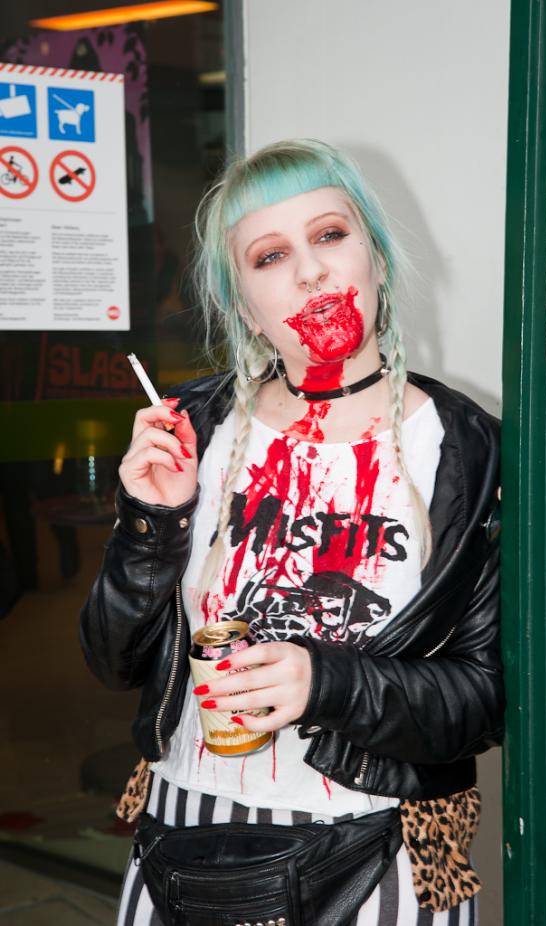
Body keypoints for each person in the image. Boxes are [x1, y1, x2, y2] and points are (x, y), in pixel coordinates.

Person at [80, 139, 504, 925]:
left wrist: (323, 682)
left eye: (331, 236)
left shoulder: (464, 448)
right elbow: (112, 660)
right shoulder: (191, 430)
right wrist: (153, 524)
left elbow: (485, 699)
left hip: (380, 856)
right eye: (271, 255)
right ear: (244, 305)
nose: (310, 272)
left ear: (374, 258)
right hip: (187, 848)